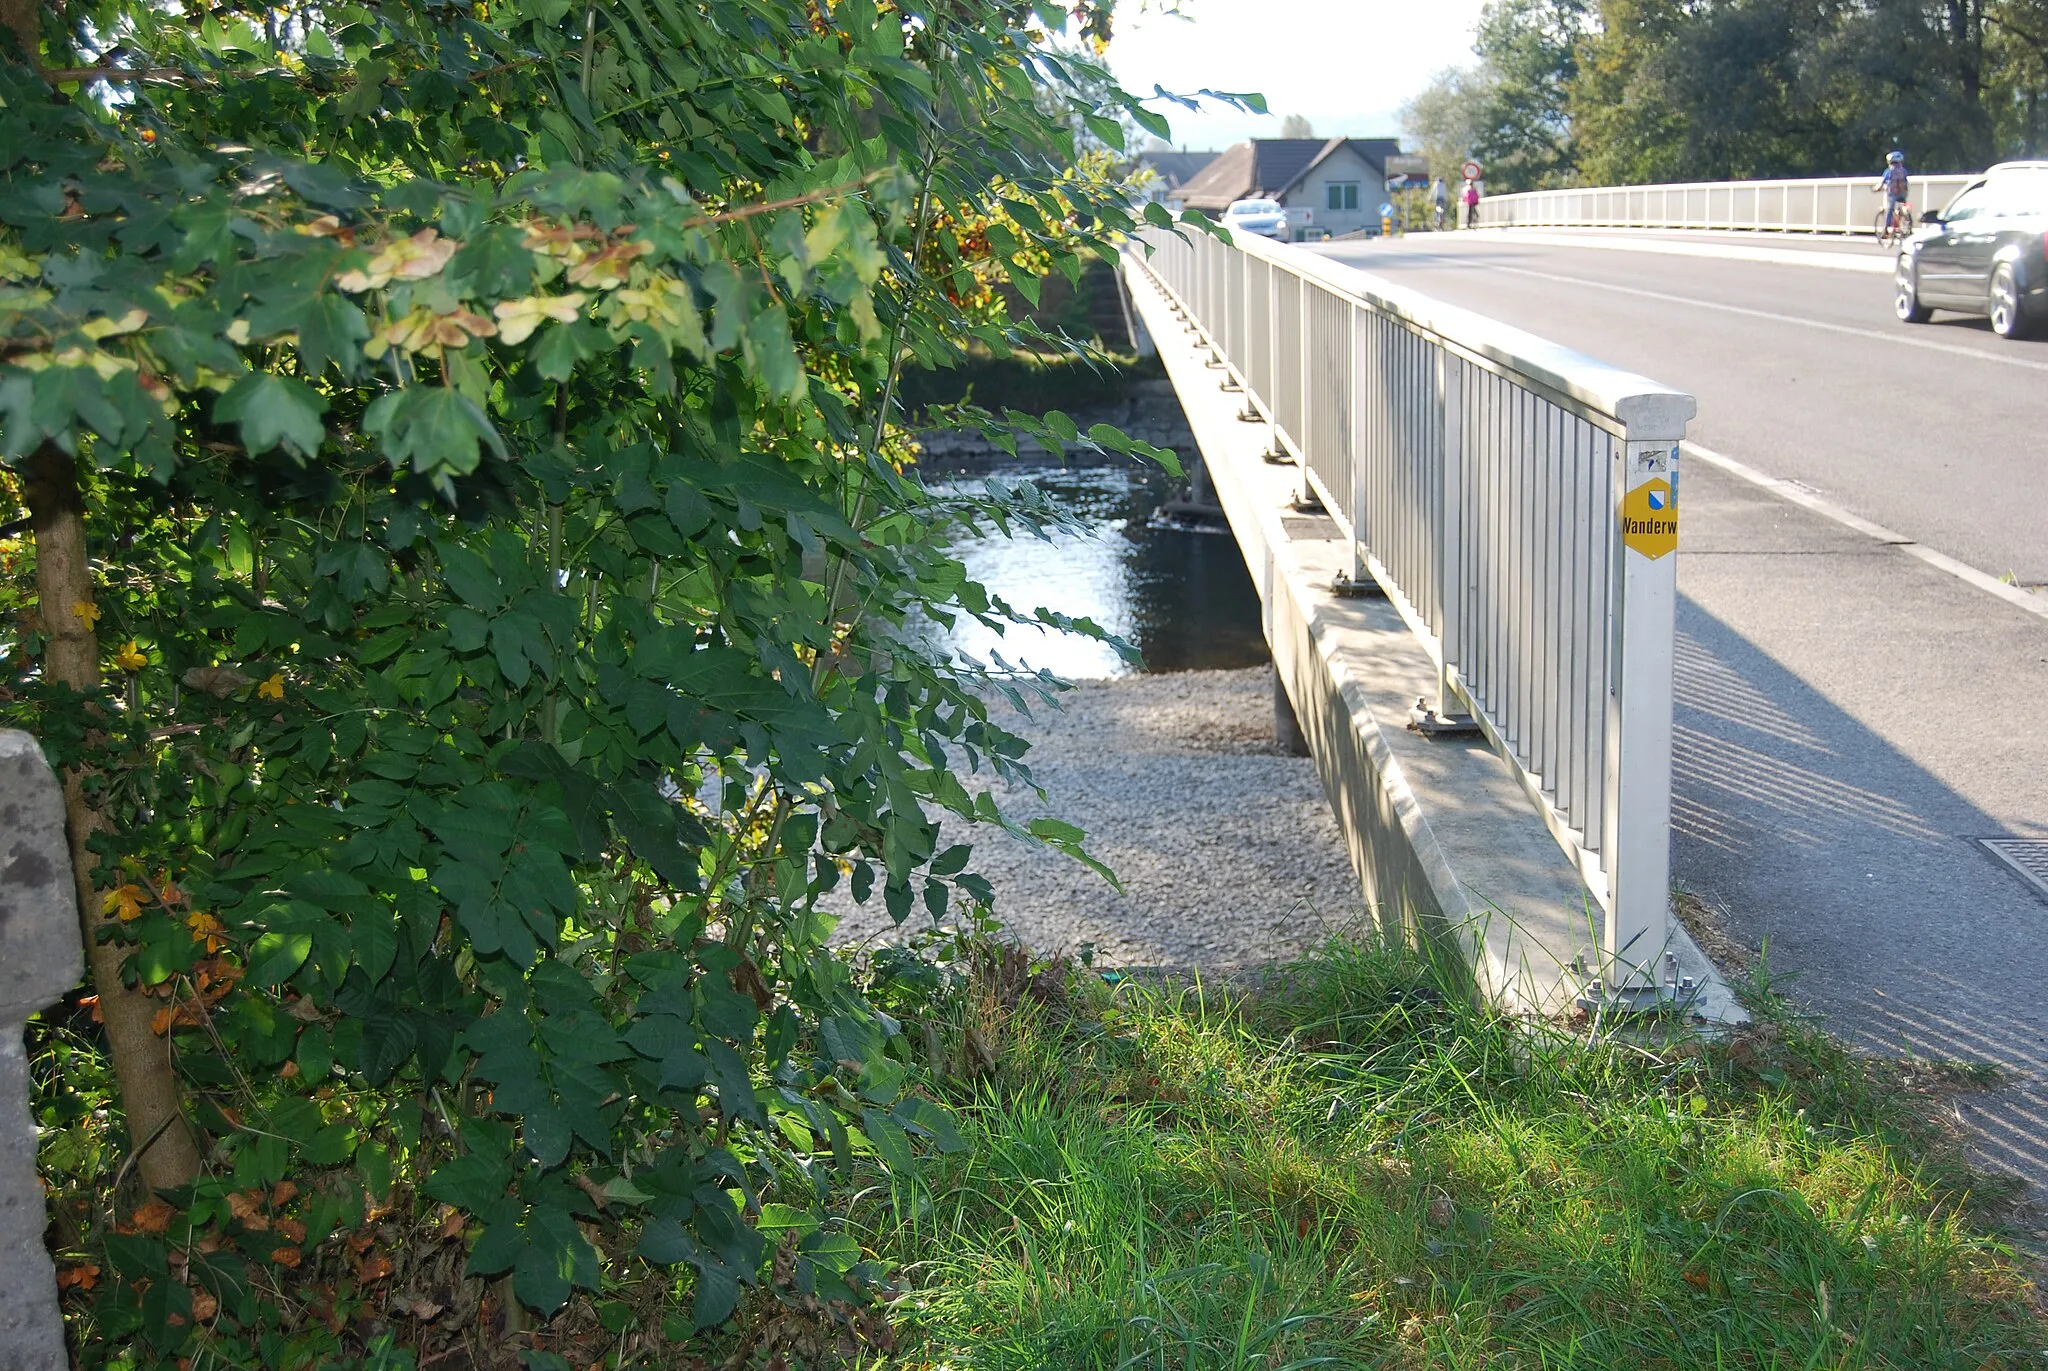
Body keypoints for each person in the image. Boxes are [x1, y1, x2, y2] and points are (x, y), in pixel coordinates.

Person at [1877, 150, 1910, 235]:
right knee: (1902, 206)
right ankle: (1907, 221)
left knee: (1890, 210)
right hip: (1903, 194)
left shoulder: (1888, 171)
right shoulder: (1904, 171)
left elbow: (1881, 184)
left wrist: (1875, 189)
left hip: (1892, 194)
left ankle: (1886, 229)